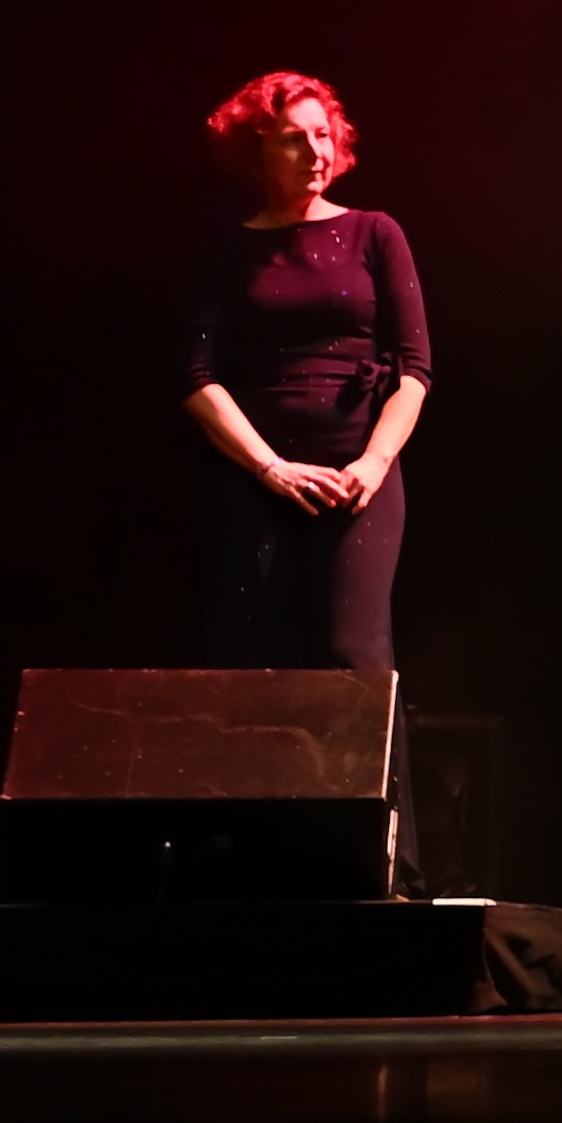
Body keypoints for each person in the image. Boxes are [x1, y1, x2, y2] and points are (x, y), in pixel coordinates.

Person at [180, 69, 432, 674]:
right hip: (252, 475)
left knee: (353, 653)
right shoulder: (225, 250)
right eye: (293, 139)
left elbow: (415, 369)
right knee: (252, 657)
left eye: (322, 135)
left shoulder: (375, 232)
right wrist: (270, 467)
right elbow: (196, 377)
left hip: (356, 477)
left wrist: (373, 464)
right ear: (258, 151)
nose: (315, 152)